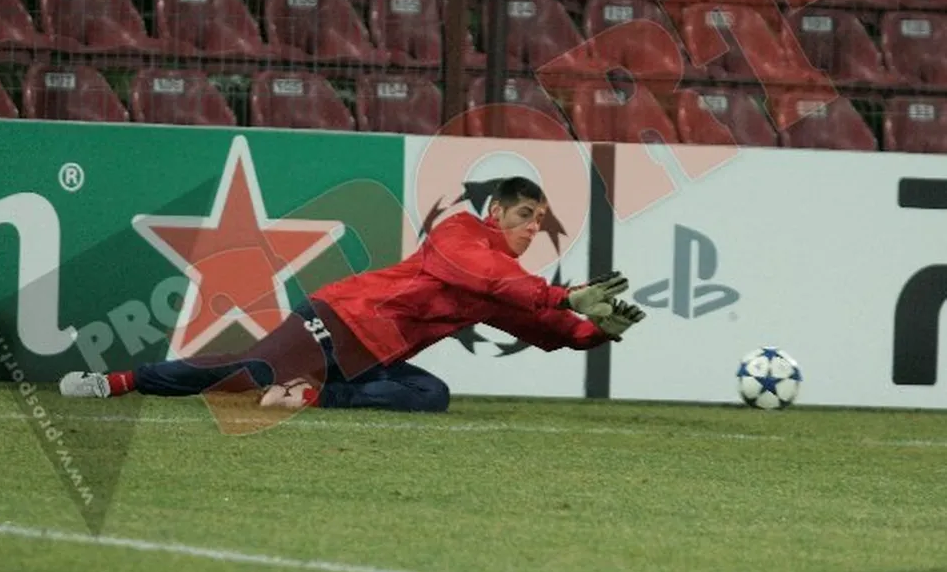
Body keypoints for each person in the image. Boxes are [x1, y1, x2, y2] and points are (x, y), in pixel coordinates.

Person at [58, 177, 646, 412]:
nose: (532, 227)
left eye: (538, 220)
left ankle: (311, 397)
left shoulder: (512, 283)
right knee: (246, 372)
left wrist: (597, 331)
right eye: (524, 215)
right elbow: (487, 278)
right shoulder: (460, 233)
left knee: (431, 396)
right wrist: (566, 296)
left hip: (372, 357)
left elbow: (551, 332)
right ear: (494, 211)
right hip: (338, 319)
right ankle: (118, 382)